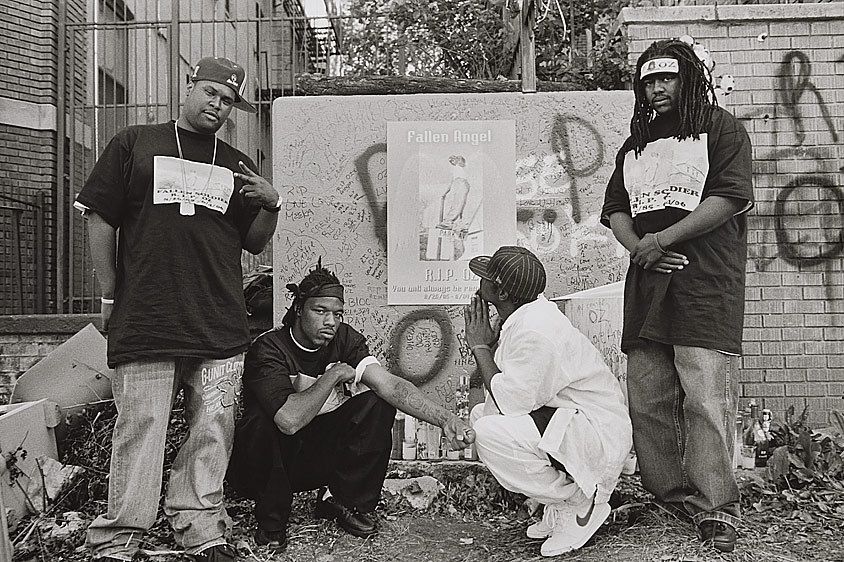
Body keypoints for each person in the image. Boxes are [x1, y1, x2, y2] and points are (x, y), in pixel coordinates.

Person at [75, 56, 282, 562]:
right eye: (211, 92)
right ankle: (121, 538)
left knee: (213, 428)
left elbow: (253, 243)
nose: (218, 105)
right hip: (148, 317)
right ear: (189, 87)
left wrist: (271, 204)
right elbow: (100, 218)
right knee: (140, 428)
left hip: (219, 323)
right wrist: (109, 293)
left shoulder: (235, 162)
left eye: (229, 100)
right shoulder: (134, 143)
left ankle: (200, 526)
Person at [601, 39, 753, 553]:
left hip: (703, 284)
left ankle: (716, 506)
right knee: (647, 397)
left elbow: (729, 197)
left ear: (690, 80)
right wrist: (642, 247)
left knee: (705, 398)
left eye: (666, 79)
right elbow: (616, 208)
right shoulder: (635, 144)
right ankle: (667, 494)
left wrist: (665, 239)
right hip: (647, 288)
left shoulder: (721, 128)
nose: (656, 88)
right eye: (647, 81)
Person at [227, 260, 474, 552]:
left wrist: (445, 419)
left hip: (314, 453)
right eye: (320, 312)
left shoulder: (344, 339)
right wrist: (332, 375)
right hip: (266, 463)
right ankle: (272, 520)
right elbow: (289, 420)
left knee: (377, 403)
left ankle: (341, 500)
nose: (330, 322)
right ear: (298, 309)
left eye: (337, 314)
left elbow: (391, 386)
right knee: (264, 423)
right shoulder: (269, 348)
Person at [463, 246, 632, 557]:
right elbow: (505, 396)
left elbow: (510, 403)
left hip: (595, 437)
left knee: (490, 433)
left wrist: (479, 347)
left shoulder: (536, 331)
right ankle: (560, 503)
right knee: (480, 416)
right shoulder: (523, 316)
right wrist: (489, 343)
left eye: (486, 279)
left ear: (500, 292)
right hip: (570, 424)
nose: (479, 283)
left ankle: (580, 503)